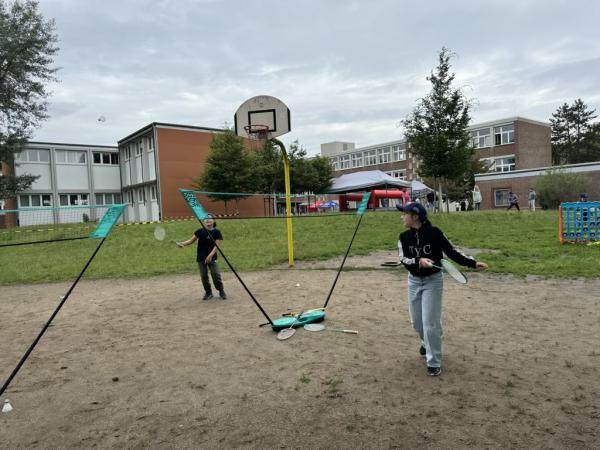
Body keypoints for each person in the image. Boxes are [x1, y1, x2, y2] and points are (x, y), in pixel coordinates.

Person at [396, 203, 488, 376]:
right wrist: (419, 261)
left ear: (415, 216)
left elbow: (452, 252)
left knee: (430, 323)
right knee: (417, 322)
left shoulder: (435, 233)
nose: (402, 217)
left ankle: (434, 362)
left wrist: (472, 263)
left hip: (433, 282)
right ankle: (426, 342)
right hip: (413, 281)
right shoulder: (403, 237)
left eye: (404, 214)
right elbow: (404, 259)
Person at [177, 214, 227, 300]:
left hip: (212, 257)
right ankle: (208, 292)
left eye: (209, 218)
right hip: (201, 257)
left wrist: (210, 256)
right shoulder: (200, 231)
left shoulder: (217, 232)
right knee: (203, 276)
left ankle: (221, 290)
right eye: (205, 219)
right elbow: (191, 241)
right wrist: (182, 244)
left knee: (215, 274)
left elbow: (217, 246)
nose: (207, 220)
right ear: (203, 221)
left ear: (214, 221)